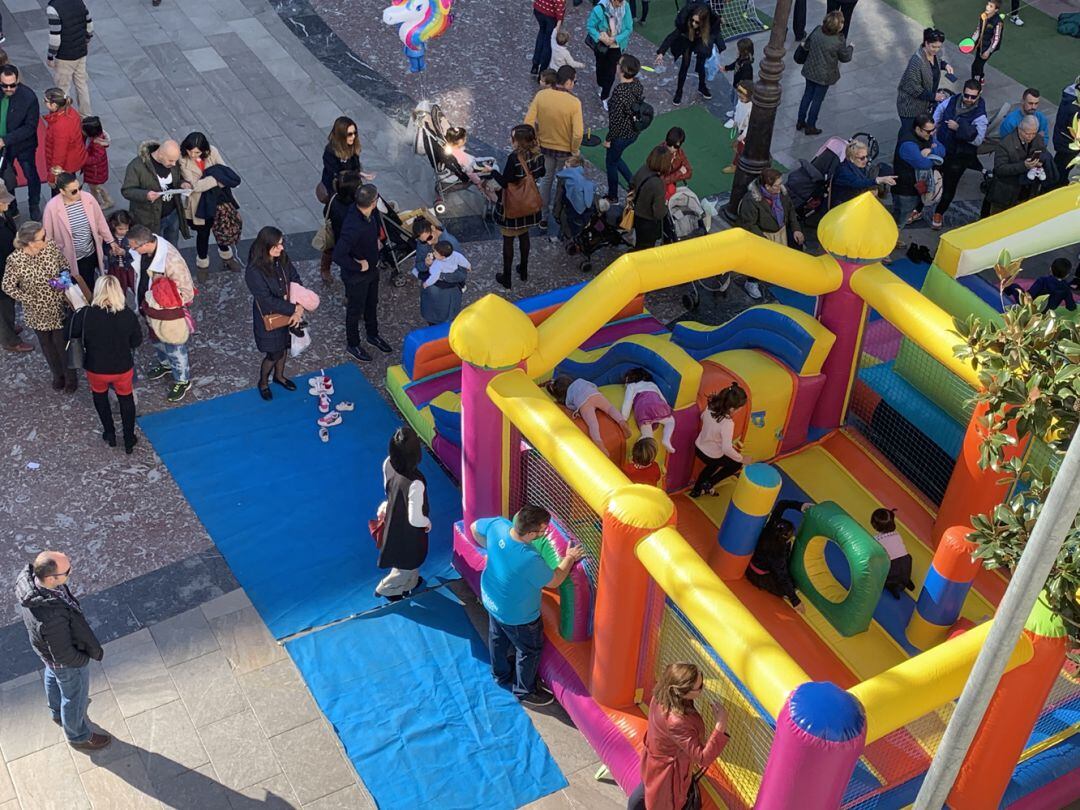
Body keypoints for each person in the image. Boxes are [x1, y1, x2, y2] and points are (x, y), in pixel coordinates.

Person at [471, 505, 585, 706]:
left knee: (497, 637)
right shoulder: (529, 559)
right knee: (529, 650)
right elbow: (555, 580)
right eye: (543, 530)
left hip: (492, 598)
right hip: (517, 615)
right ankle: (525, 690)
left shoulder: (499, 525)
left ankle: (500, 674)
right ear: (532, 533)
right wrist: (570, 557)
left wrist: (492, 549)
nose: (545, 533)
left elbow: (473, 528)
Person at [15, 551, 109, 751]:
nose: (71, 572)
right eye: (67, 571)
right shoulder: (52, 617)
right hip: (67, 661)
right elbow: (64, 654)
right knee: (74, 697)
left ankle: (57, 712)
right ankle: (78, 736)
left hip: (47, 653)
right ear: (50, 578)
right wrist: (83, 660)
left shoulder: (33, 586)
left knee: (52, 674)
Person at [626, 662, 729, 810]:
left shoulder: (660, 696)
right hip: (667, 778)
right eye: (699, 687)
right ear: (681, 691)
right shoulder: (678, 722)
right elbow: (702, 758)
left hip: (652, 764)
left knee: (641, 795)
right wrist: (720, 724)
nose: (702, 689)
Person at [2, 221, 82, 392]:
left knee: (62, 344)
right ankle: (57, 375)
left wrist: (63, 279)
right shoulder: (15, 260)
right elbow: (7, 286)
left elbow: (64, 265)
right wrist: (28, 299)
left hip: (58, 305)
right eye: (42, 237)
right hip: (36, 311)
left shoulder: (50, 246)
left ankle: (70, 377)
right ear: (31, 242)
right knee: (47, 345)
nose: (47, 238)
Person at [127, 224, 195, 403]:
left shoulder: (171, 260)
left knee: (175, 345)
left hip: (167, 314)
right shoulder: (146, 251)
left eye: (134, 247)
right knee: (156, 338)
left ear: (145, 244)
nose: (132, 250)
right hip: (148, 308)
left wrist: (163, 299)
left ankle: (182, 380)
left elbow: (187, 291)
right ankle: (165, 364)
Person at [73, 276, 142, 452]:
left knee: (100, 398)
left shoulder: (86, 314)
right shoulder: (127, 315)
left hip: (96, 368)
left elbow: (70, 334)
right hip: (122, 367)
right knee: (126, 400)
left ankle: (109, 433)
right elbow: (136, 341)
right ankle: (128, 439)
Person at [333, 183, 392, 362]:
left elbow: (371, 228)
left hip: (372, 270)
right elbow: (338, 255)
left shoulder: (367, 213)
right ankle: (353, 344)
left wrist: (375, 240)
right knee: (354, 310)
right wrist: (358, 266)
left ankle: (372, 335)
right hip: (357, 277)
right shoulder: (353, 226)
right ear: (373, 202)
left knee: (372, 303)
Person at [244, 226, 302, 400]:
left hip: (287, 313)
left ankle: (279, 377)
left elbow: (294, 277)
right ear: (265, 246)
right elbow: (266, 300)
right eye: (277, 245)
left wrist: (298, 299)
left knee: (283, 346)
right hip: (269, 318)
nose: (282, 248)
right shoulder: (254, 271)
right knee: (273, 353)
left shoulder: (281, 256)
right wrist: (294, 308)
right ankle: (263, 382)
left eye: (281, 243)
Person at [524, 65, 583, 230]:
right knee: (562, 182)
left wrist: (535, 141)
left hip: (545, 146)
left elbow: (528, 122)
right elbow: (578, 133)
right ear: (569, 82)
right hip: (565, 150)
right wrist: (574, 150)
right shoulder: (574, 103)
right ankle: (557, 213)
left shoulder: (542, 95)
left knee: (546, 180)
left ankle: (543, 216)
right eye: (575, 81)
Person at [376, 426, 431, 600]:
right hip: (409, 532)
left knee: (404, 560)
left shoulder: (388, 463)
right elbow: (415, 518)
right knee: (406, 563)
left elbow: (389, 489)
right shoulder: (415, 483)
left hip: (394, 519)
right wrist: (426, 522)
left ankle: (411, 583)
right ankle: (387, 588)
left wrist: (387, 505)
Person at [178, 131, 241, 279]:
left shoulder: (213, 151)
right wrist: (215, 178)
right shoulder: (182, 159)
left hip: (218, 201)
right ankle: (202, 266)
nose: (192, 155)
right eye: (189, 151)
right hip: (199, 205)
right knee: (203, 235)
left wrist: (213, 178)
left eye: (196, 152)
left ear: (204, 150)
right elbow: (195, 186)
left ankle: (227, 258)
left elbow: (225, 173)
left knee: (221, 230)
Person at [491, 124, 546, 289]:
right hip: (528, 203)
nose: (511, 139)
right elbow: (541, 173)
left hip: (513, 206)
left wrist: (492, 171)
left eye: (513, 137)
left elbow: (504, 182)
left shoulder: (514, 158)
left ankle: (506, 277)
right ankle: (523, 270)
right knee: (524, 236)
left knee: (508, 240)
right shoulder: (538, 154)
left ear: (518, 141)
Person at [736, 168, 804, 299]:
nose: (781, 187)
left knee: (796, 244)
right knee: (760, 260)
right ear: (767, 186)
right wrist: (763, 240)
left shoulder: (781, 193)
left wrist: (796, 229)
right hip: (763, 234)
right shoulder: (751, 201)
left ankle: (786, 272)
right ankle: (751, 282)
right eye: (777, 185)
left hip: (781, 231)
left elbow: (790, 211)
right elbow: (748, 224)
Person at [43, 172, 117, 289]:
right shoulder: (51, 207)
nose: (78, 192)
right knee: (73, 289)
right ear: (62, 191)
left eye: (79, 188)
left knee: (90, 283)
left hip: (89, 253)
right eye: (73, 191)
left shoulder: (88, 198)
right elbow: (48, 237)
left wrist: (110, 241)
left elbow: (100, 222)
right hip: (68, 258)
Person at [931, 80, 987, 229]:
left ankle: (939, 213)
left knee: (950, 185)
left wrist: (959, 128)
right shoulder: (953, 100)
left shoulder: (980, 116)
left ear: (979, 95)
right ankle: (918, 208)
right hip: (942, 148)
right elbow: (940, 109)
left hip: (959, 156)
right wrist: (933, 127)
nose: (968, 99)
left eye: (973, 97)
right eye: (966, 95)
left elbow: (978, 140)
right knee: (929, 178)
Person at [121, 140, 190, 247]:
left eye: (175, 161)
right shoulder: (137, 166)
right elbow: (127, 191)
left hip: (172, 214)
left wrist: (183, 183)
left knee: (173, 245)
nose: (174, 164)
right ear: (160, 154)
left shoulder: (172, 161)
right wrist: (146, 195)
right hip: (150, 218)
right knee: (156, 248)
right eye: (170, 160)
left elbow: (178, 178)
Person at [746, 500, 810, 612]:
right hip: (758, 575)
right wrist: (795, 601)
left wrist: (801, 506)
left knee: (788, 579)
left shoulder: (772, 526)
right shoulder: (777, 553)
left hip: (757, 561)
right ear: (785, 538)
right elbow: (782, 576)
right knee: (792, 586)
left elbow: (782, 504)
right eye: (791, 534)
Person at [797, 11, 853, 136]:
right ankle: (811, 126)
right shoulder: (838, 40)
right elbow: (845, 57)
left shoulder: (817, 30)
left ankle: (800, 121)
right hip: (824, 76)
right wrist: (851, 48)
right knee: (817, 100)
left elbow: (807, 45)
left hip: (810, 70)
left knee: (807, 96)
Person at [655, 2, 722, 105]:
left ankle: (702, 86)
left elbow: (714, 33)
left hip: (701, 40)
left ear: (703, 22)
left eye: (697, 22)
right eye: (693, 20)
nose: (694, 24)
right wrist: (661, 53)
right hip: (688, 39)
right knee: (685, 64)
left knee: (701, 63)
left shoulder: (710, 23)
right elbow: (672, 36)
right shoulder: (685, 23)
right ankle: (679, 91)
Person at [690, 382, 748, 498]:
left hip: (699, 447)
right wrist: (742, 458)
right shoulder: (727, 423)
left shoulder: (710, 407)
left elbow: (702, 417)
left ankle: (696, 491)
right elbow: (726, 449)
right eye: (739, 409)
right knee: (736, 464)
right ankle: (709, 483)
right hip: (712, 455)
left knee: (712, 466)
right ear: (732, 409)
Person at [546, 374, 631, 447]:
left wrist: (577, 411)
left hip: (583, 403)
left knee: (592, 424)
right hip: (594, 394)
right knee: (610, 408)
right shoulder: (580, 380)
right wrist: (595, 392)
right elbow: (593, 385)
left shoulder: (568, 395)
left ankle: (599, 443)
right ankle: (621, 421)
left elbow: (570, 406)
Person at [893, 115, 945, 233]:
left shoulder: (926, 136)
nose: (932, 134)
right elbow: (924, 164)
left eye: (933, 130)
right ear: (918, 129)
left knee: (904, 215)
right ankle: (891, 239)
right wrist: (933, 155)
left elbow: (942, 150)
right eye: (928, 131)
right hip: (905, 190)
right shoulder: (908, 145)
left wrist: (930, 151)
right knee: (900, 219)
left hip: (916, 185)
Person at [984, 115, 1046, 215]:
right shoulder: (1005, 144)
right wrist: (1024, 166)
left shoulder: (1037, 139)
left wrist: (1039, 162)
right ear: (1020, 129)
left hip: (1027, 192)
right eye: (1028, 133)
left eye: (1034, 133)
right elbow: (1000, 169)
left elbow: (1043, 152)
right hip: (1005, 194)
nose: (1031, 136)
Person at [603, 54, 645, 202]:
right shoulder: (637, 84)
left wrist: (608, 139)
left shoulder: (619, 92)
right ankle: (634, 184)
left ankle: (613, 195)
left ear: (622, 70)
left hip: (620, 135)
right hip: (634, 131)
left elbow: (615, 121)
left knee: (611, 162)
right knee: (616, 157)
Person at [896, 28, 952, 135]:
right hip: (910, 107)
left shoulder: (934, 54)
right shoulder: (917, 61)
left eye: (939, 47)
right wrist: (933, 96)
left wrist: (945, 65)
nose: (936, 50)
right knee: (908, 133)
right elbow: (913, 87)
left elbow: (937, 61)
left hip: (923, 105)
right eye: (933, 46)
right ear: (926, 43)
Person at [46, 0, 93, 114]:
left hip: (64, 56)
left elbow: (55, 37)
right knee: (81, 85)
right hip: (81, 51)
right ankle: (86, 116)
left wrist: (51, 56)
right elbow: (89, 24)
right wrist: (86, 40)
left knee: (63, 89)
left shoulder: (53, 8)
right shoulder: (80, 1)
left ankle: (65, 117)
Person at [0, 182, 30, 352]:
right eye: (2, 201)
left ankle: (8, 329)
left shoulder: (4, 213)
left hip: (8, 268)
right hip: (2, 274)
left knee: (8, 306)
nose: (7, 203)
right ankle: (10, 340)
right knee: (4, 309)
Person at [587, 0, 632, 109]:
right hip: (601, 46)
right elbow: (590, 26)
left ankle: (605, 96)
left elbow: (629, 28)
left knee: (611, 73)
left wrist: (615, 39)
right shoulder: (599, 9)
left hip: (616, 47)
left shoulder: (625, 6)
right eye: (619, 1)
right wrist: (600, 37)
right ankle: (601, 85)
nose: (621, 4)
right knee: (600, 67)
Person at [42, 88, 86, 197]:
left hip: (64, 167)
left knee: (60, 198)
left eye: (46, 101)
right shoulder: (70, 112)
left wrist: (52, 177)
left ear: (54, 105)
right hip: (73, 161)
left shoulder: (60, 126)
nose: (44, 103)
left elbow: (59, 154)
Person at [621, 367, 676, 453]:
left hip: (643, 409)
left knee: (647, 435)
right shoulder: (652, 385)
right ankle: (666, 439)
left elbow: (627, 402)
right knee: (670, 421)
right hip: (658, 405)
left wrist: (624, 417)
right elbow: (662, 398)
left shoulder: (632, 386)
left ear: (631, 378)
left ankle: (638, 455)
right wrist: (666, 410)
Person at [831, 139, 896, 207]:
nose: (866, 160)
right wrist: (878, 180)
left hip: (854, 196)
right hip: (846, 204)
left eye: (866, 156)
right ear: (851, 159)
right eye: (862, 158)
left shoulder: (856, 165)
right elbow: (857, 182)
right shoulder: (843, 172)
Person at [629, 145, 671, 251]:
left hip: (636, 214)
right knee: (644, 248)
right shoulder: (658, 184)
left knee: (639, 242)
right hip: (647, 222)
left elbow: (632, 183)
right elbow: (659, 213)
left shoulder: (644, 169)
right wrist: (666, 206)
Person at [420, 240, 468, 325]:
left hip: (446, 295)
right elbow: (418, 266)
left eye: (435, 252)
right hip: (434, 299)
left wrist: (428, 282)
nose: (434, 253)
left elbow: (461, 275)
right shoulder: (452, 254)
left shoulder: (439, 264)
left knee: (444, 321)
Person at [444, 127, 498, 202]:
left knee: (491, 160)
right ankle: (492, 193)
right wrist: (479, 183)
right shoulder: (462, 157)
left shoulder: (446, 147)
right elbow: (471, 173)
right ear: (460, 141)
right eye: (464, 138)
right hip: (471, 168)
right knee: (494, 166)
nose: (465, 140)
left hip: (468, 164)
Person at [871, 508, 915, 598]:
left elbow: (873, 555)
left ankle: (894, 587)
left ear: (875, 526)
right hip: (906, 564)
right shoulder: (896, 534)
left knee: (881, 572)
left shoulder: (877, 540)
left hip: (893, 571)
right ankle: (906, 580)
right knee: (904, 562)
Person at [1005, 258, 1075, 312]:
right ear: (1067, 275)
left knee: (1014, 286)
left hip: (1031, 307)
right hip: (1046, 312)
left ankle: (1003, 293)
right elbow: (1071, 307)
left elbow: (1030, 295)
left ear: (1050, 268)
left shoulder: (1042, 280)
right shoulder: (1066, 289)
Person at [320, 116, 363, 197]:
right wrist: (356, 174)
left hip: (351, 183)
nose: (353, 136)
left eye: (355, 133)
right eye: (350, 134)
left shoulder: (353, 146)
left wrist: (358, 173)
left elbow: (356, 165)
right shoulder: (330, 152)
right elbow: (335, 173)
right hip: (337, 187)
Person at [1053, 77, 1079, 187]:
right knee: (1061, 172)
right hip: (1068, 145)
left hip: (1063, 141)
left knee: (1058, 168)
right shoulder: (1074, 109)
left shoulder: (1069, 98)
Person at [80, 115, 111, 209]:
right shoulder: (93, 139)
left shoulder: (97, 144)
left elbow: (95, 159)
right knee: (93, 187)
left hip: (96, 171)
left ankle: (107, 201)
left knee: (97, 187)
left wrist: (83, 159)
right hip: (93, 170)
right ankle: (95, 201)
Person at [970, 0, 1004, 83]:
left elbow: (996, 39)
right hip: (980, 44)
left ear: (996, 10)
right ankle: (980, 78)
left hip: (988, 47)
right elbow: (978, 30)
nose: (987, 7)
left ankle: (975, 83)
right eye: (988, 5)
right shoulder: (983, 16)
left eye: (991, 6)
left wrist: (989, 51)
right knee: (978, 64)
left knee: (976, 66)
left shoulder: (998, 22)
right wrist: (971, 42)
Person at [724, 80, 753, 174]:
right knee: (740, 148)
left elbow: (751, 124)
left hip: (747, 133)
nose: (740, 98)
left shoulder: (751, 108)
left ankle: (735, 166)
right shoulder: (741, 102)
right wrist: (735, 122)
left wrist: (743, 136)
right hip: (741, 129)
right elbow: (737, 111)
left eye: (742, 96)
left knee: (740, 149)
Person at [531, 0, 565, 76]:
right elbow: (559, 4)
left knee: (542, 33)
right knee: (548, 42)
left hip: (539, 9)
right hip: (550, 15)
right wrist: (559, 21)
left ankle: (535, 65)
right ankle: (543, 71)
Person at [720, 38, 754, 112]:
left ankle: (735, 114)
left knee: (738, 102)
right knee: (733, 99)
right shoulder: (740, 59)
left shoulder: (747, 66)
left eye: (739, 49)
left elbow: (747, 80)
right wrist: (726, 68)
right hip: (736, 85)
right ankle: (734, 111)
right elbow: (735, 64)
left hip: (739, 88)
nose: (737, 50)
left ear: (744, 51)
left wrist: (740, 89)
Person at [659, 127, 692, 200]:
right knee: (670, 190)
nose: (672, 148)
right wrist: (679, 173)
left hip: (668, 184)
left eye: (676, 146)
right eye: (669, 144)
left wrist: (670, 178)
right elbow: (660, 181)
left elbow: (689, 172)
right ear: (666, 141)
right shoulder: (659, 153)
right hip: (657, 186)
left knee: (671, 189)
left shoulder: (679, 153)